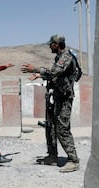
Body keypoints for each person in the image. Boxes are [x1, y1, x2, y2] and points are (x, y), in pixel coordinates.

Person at [20, 35, 79, 173]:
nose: (49, 47)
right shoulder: (59, 57)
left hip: (64, 98)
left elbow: (55, 72)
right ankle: (52, 156)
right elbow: (54, 75)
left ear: (56, 44)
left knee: (62, 129)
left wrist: (36, 69)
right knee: (51, 127)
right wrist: (40, 76)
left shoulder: (66, 56)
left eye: (50, 44)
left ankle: (73, 160)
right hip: (56, 97)